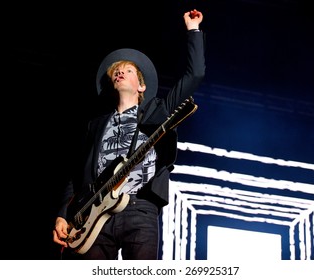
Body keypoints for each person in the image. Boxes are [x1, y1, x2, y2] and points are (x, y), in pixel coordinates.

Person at [52, 9, 205, 260]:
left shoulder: (159, 111)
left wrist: (193, 30)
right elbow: (76, 175)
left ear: (141, 86)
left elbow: (195, 74)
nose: (120, 72)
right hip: (95, 217)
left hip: (140, 209)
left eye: (128, 70)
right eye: (116, 72)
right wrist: (62, 214)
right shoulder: (96, 125)